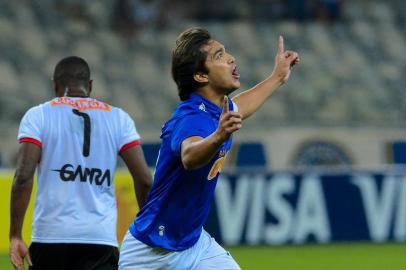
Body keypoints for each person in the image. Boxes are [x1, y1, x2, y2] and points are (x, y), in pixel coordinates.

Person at [119, 27, 299, 269]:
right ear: (201, 76)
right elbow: (189, 156)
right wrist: (218, 136)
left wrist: (277, 76)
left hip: (195, 244)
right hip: (151, 253)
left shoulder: (216, 110)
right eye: (219, 55)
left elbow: (242, 105)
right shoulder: (190, 117)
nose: (230, 58)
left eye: (225, 52)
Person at [9, 56, 152, 270]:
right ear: (91, 85)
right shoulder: (119, 118)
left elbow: (23, 177)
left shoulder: (38, 116)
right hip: (100, 240)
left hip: (50, 239)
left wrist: (15, 235)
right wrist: (147, 229)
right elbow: (144, 180)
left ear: (55, 85)